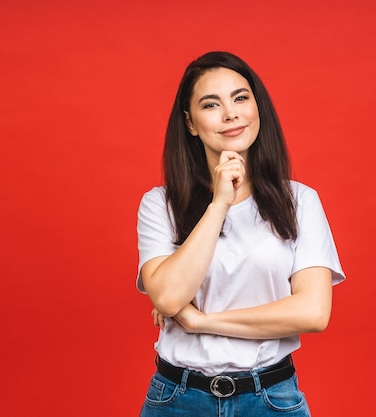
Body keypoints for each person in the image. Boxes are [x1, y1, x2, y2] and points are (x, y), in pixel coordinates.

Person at [136, 51, 345, 417]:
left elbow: (313, 312)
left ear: (256, 107)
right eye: (211, 104)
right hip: (178, 400)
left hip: (271, 399)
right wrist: (219, 204)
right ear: (190, 123)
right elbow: (169, 298)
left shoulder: (300, 201)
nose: (231, 113)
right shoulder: (160, 204)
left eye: (240, 97)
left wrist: (202, 321)